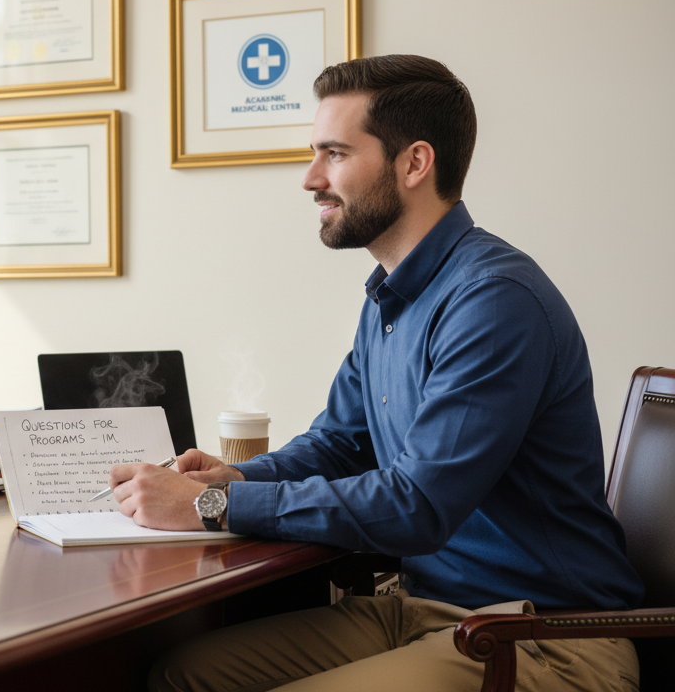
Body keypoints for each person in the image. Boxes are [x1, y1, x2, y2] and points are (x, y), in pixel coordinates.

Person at [109, 56, 643, 691]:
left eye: (334, 154)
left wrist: (212, 505)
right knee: (184, 675)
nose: (311, 179)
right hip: (426, 610)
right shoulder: (391, 296)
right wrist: (238, 476)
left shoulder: (494, 301)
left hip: (544, 638)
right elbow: (340, 443)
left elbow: (417, 505)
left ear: (414, 164)